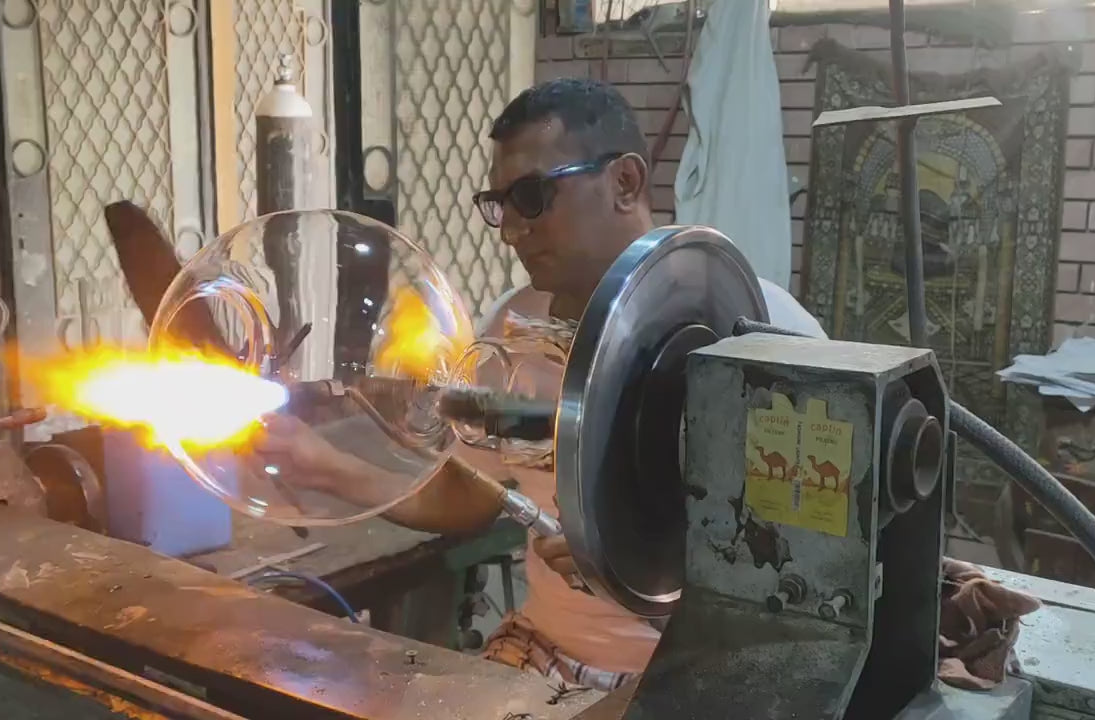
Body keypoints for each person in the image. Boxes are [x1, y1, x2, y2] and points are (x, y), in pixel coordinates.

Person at [257, 77, 825, 693]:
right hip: (546, 654)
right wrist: (323, 465)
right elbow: (477, 490)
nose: (509, 231)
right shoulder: (513, 335)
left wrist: (637, 568)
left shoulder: (759, 334)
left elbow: (809, 565)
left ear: (626, 182)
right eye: (499, 203)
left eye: (533, 196)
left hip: (701, 679)